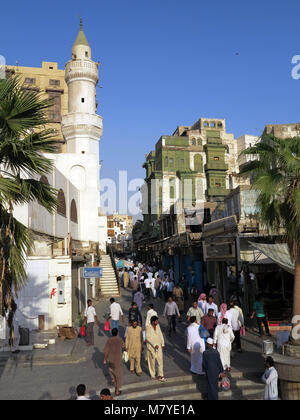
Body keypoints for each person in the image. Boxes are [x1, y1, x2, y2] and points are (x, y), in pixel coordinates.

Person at [104, 328, 124, 396]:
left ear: (112, 333)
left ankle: (112, 378)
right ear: (117, 333)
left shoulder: (109, 340)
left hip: (111, 359)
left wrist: (104, 359)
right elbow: (124, 346)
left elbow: (106, 351)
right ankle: (117, 391)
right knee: (118, 375)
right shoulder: (120, 340)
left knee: (111, 370)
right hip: (118, 360)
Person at [146, 316, 166, 382]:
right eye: (156, 321)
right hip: (151, 348)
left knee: (160, 360)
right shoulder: (148, 327)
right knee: (152, 362)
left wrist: (162, 343)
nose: (157, 322)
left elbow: (160, 334)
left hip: (159, 346)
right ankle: (153, 374)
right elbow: (147, 338)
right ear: (153, 322)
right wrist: (154, 345)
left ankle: (160, 375)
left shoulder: (158, 326)